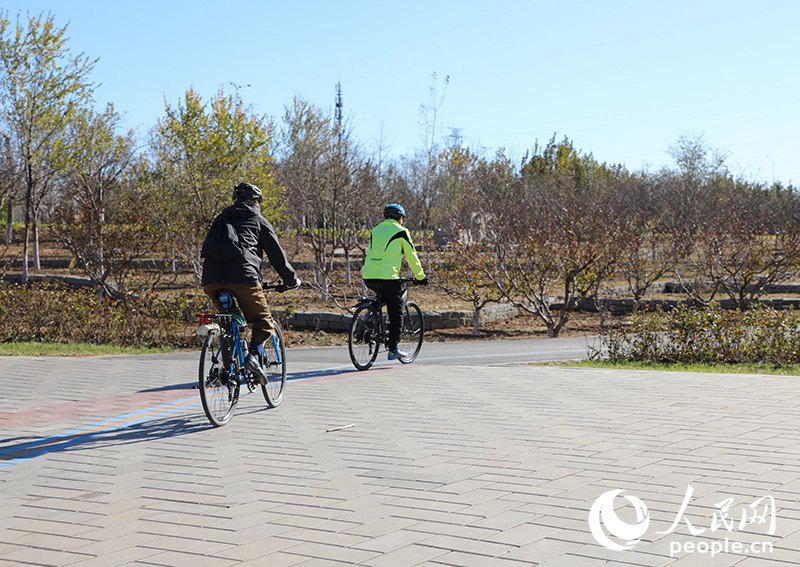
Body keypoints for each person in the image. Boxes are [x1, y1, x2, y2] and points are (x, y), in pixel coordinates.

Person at [201, 182, 300, 382]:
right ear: (256, 202)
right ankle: (253, 357)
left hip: (211, 280)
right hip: (244, 278)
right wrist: (291, 280)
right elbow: (277, 257)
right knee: (264, 321)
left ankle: (230, 374)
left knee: (228, 322)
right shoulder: (258, 220)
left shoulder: (220, 219)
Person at [361, 203, 428, 360]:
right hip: (388, 277)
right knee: (396, 311)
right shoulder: (401, 232)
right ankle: (393, 349)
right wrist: (421, 277)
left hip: (369, 276)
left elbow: (371, 252)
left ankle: (372, 318)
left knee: (382, 297)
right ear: (400, 218)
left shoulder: (375, 230)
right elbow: (412, 256)